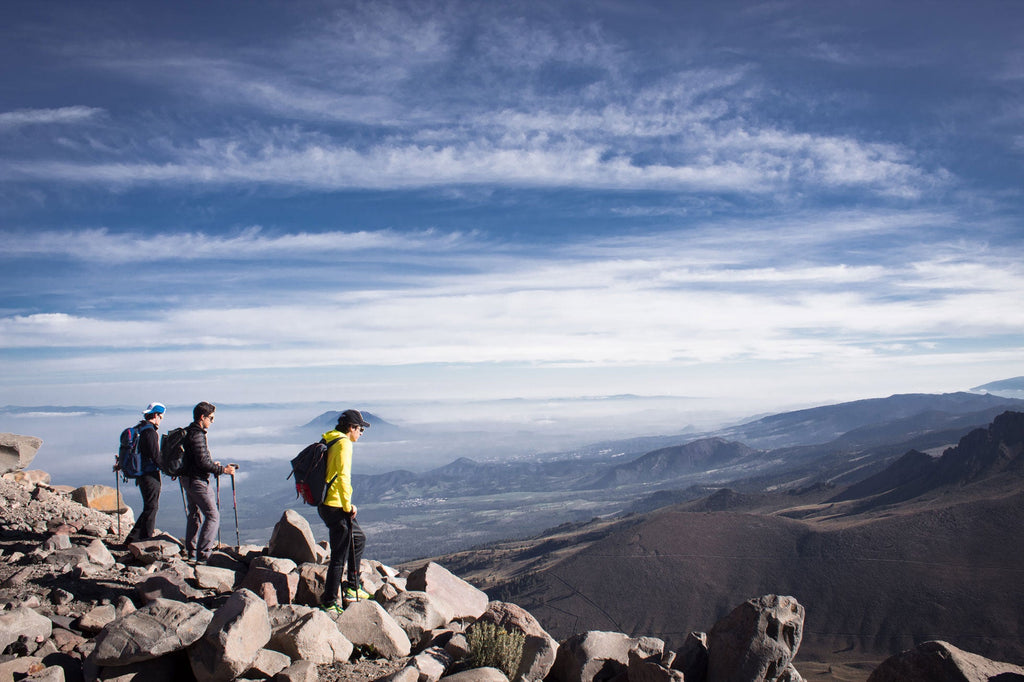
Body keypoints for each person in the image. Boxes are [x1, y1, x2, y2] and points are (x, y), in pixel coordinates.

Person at [318, 408, 373, 613]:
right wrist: (348, 506)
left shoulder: (330, 439)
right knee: (339, 556)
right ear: (351, 428)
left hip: (327, 504)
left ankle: (352, 584)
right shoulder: (343, 444)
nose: (360, 434)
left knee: (358, 539)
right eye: (360, 429)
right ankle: (330, 601)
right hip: (335, 505)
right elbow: (342, 477)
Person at [180, 401, 235, 564]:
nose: (212, 421)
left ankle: (191, 551)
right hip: (197, 481)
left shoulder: (189, 431)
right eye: (211, 418)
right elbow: (203, 462)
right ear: (202, 417)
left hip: (187, 479)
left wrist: (212, 464)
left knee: (195, 513)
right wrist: (223, 470)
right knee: (213, 516)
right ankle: (203, 556)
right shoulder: (198, 434)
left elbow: (198, 459)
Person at [124, 402, 165, 543]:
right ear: (155, 415)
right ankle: (143, 539)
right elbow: (155, 456)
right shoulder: (150, 432)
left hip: (141, 474)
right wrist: (169, 469)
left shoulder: (139, 429)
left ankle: (135, 538)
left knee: (149, 506)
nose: (161, 419)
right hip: (150, 474)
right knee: (152, 507)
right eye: (161, 416)